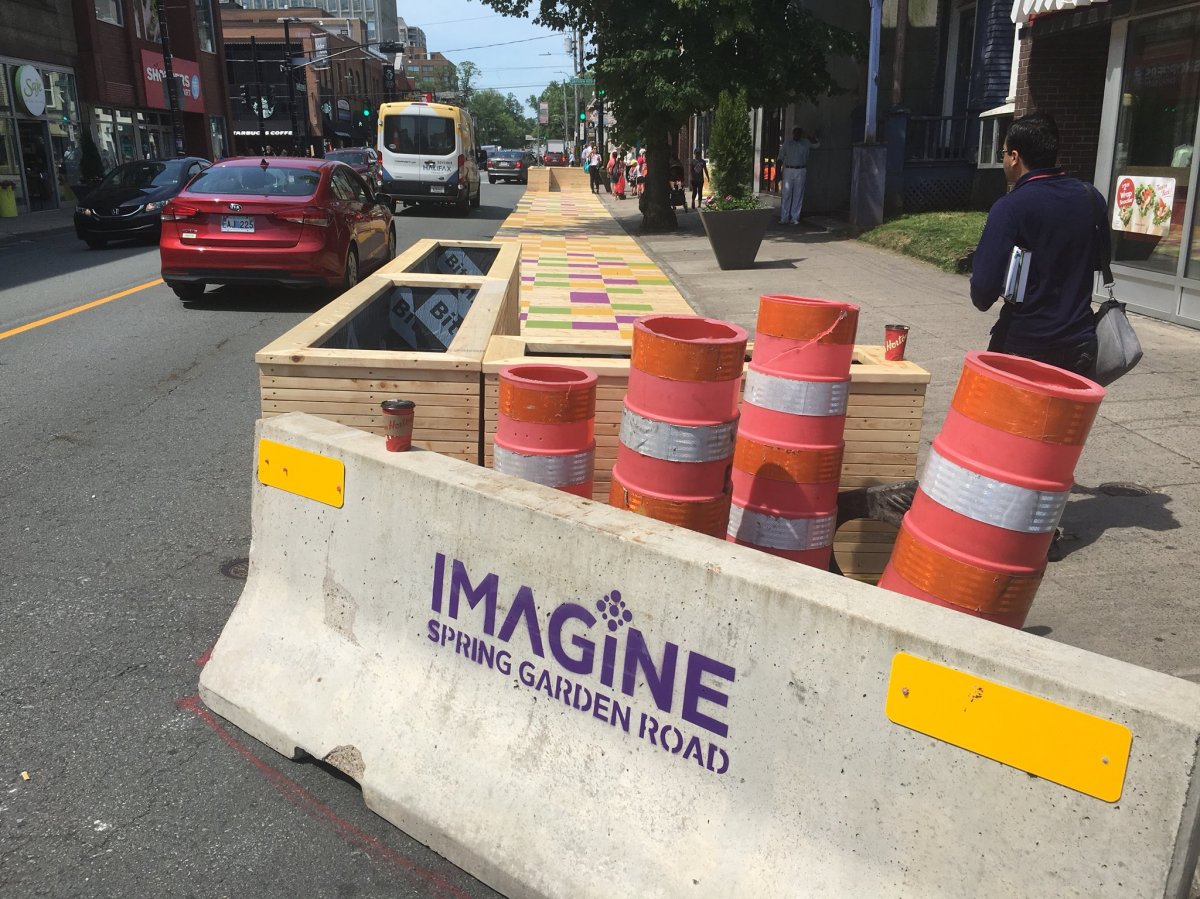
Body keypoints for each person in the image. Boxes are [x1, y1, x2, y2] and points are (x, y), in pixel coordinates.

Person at [969, 112, 1110, 376]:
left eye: (1003, 153)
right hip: (1079, 342)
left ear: (1014, 156)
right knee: (1064, 417)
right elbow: (1100, 262)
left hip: (1024, 344)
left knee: (1008, 418)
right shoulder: (1091, 197)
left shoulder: (1010, 207)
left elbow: (983, 290)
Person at [777, 126, 819, 225]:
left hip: (801, 169)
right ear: (792, 133)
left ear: (801, 134)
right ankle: (784, 217)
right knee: (786, 193)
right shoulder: (787, 143)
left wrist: (807, 135)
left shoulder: (806, 142)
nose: (797, 135)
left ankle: (795, 217)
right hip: (788, 169)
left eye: (799, 133)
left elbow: (817, 144)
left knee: (798, 194)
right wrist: (779, 174)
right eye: (795, 133)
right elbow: (780, 158)